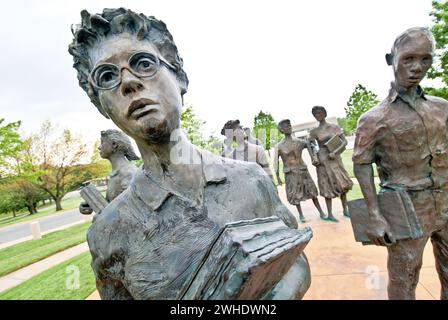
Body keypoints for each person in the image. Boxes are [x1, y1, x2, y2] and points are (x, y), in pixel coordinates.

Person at [69, 8, 312, 300]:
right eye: (107, 76)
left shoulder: (252, 180)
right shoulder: (107, 233)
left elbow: (294, 260)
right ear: (101, 106)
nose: (129, 83)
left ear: (179, 77)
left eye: (143, 63)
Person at [353, 27, 448, 300]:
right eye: (408, 59)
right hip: (406, 210)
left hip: (446, 203)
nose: (417, 67)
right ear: (390, 59)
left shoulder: (442, 108)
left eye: (425, 59)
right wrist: (374, 214)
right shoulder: (373, 119)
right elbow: (361, 165)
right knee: (404, 279)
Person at [274, 119, 326, 222]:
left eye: (289, 125)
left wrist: (314, 158)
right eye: (286, 126)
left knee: (312, 192)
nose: (289, 127)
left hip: (302, 171)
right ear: (281, 130)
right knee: (295, 195)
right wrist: (277, 176)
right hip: (290, 173)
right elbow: (276, 162)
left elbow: (311, 147)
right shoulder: (279, 146)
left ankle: (321, 211)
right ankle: (301, 214)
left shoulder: (300, 142)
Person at [79, 129, 139, 214]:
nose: (99, 147)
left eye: (102, 142)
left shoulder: (128, 173)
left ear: (114, 144)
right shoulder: (116, 174)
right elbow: (113, 204)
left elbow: (134, 212)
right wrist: (93, 204)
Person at [309, 106, 353, 221]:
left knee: (341, 182)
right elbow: (311, 145)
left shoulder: (334, 127)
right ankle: (329, 213)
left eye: (319, 113)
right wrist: (314, 157)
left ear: (324, 113)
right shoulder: (314, 131)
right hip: (323, 159)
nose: (317, 116)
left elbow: (344, 141)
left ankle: (345, 209)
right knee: (326, 184)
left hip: (334, 157)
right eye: (315, 114)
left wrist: (335, 152)